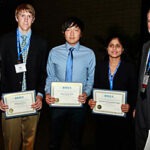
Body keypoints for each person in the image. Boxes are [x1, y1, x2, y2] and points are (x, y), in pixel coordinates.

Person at [0, 3, 48, 150]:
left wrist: (40, 95)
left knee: (29, 143)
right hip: (9, 101)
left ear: (33, 19)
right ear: (16, 18)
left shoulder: (42, 43)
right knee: (11, 143)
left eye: (29, 16)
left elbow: (44, 72)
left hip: (33, 101)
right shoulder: (4, 41)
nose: (26, 20)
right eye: (22, 15)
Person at [45, 16, 96, 150]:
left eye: (76, 30)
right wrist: (48, 93)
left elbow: (90, 78)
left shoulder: (89, 54)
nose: (72, 34)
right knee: (54, 141)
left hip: (79, 104)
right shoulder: (54, 52)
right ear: (63, 33)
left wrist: (86, 93)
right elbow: (50, 76)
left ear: (81, 33)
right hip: (57, 102)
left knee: (76, 141)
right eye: (68, 30)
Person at [88, 35, 137, 150]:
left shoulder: (129, 68)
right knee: (103, 143)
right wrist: (91, 100)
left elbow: (134, 90)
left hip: (122, 116)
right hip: (102, 116)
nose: (114, 49)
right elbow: (94, 87)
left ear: (123, 49)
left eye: (118, 46)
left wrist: (130, 105)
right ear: (106, 48)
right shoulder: (99, 66)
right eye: (111, 46)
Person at [135, 9, 150, 150]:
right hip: (142, 107)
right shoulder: (146, 46)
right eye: (149, 20)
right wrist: (137, 106)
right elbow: (142, 79)